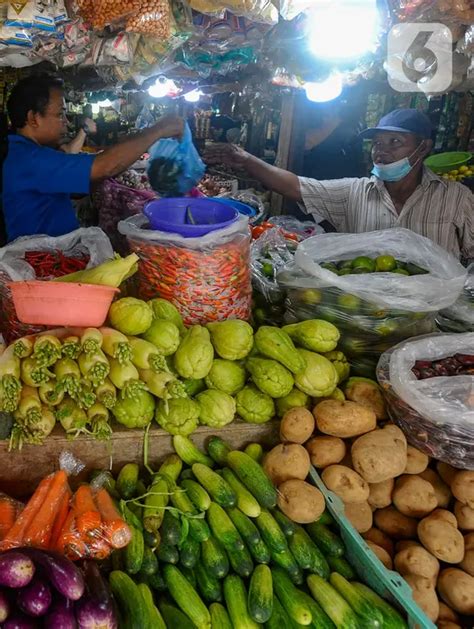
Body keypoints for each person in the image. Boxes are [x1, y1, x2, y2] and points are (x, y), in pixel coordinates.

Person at [206, 108, 473, 261]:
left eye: (395, 142)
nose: (382, 151)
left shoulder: (457, 198)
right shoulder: (355, 192)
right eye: (377, 143)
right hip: (363, 314)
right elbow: (296, 186)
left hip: (433, 318)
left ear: (423, 147)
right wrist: (246, 159)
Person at [2, 74, 183, 242]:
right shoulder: (29, 159)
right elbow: (105, 166)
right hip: (41, 265)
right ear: (34, 118)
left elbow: (73, 189)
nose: (66, 121)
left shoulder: (28, 152)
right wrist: (159, 130)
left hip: (52, 257)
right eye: (59, 114)